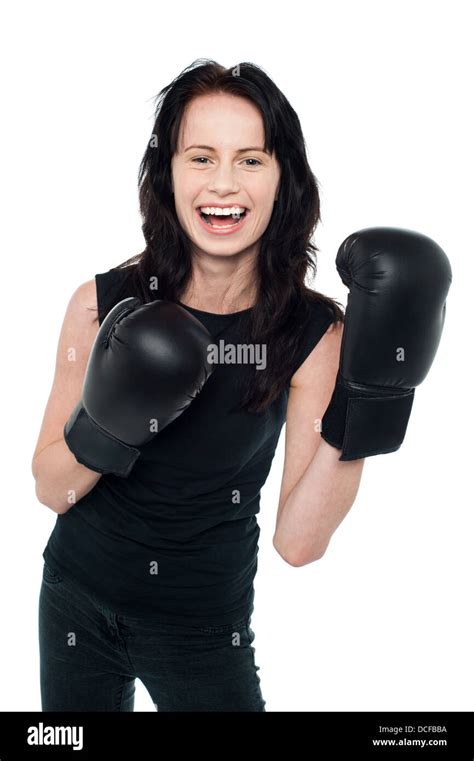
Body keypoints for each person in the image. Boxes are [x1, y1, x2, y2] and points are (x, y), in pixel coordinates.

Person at [32, 59, 451, 712]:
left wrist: (375, 399)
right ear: (167, 172)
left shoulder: (312, 334)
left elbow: (299, 544)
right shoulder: (101, 304)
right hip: (74, 598)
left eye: (250, 160)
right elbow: (50, 487)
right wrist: (112, 420)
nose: (223, 182)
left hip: (202, 630)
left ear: (282, 178)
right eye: (200, 157)